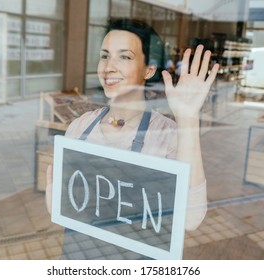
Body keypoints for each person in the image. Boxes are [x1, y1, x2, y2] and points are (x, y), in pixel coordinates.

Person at [45, 18, 219, 259]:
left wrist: (188, 119)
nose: (109, 67)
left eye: (124, 57)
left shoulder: (167, 135)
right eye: (105, 56)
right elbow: (58, 205)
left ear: (148, 69)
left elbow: (190, 219)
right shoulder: (80, 126)